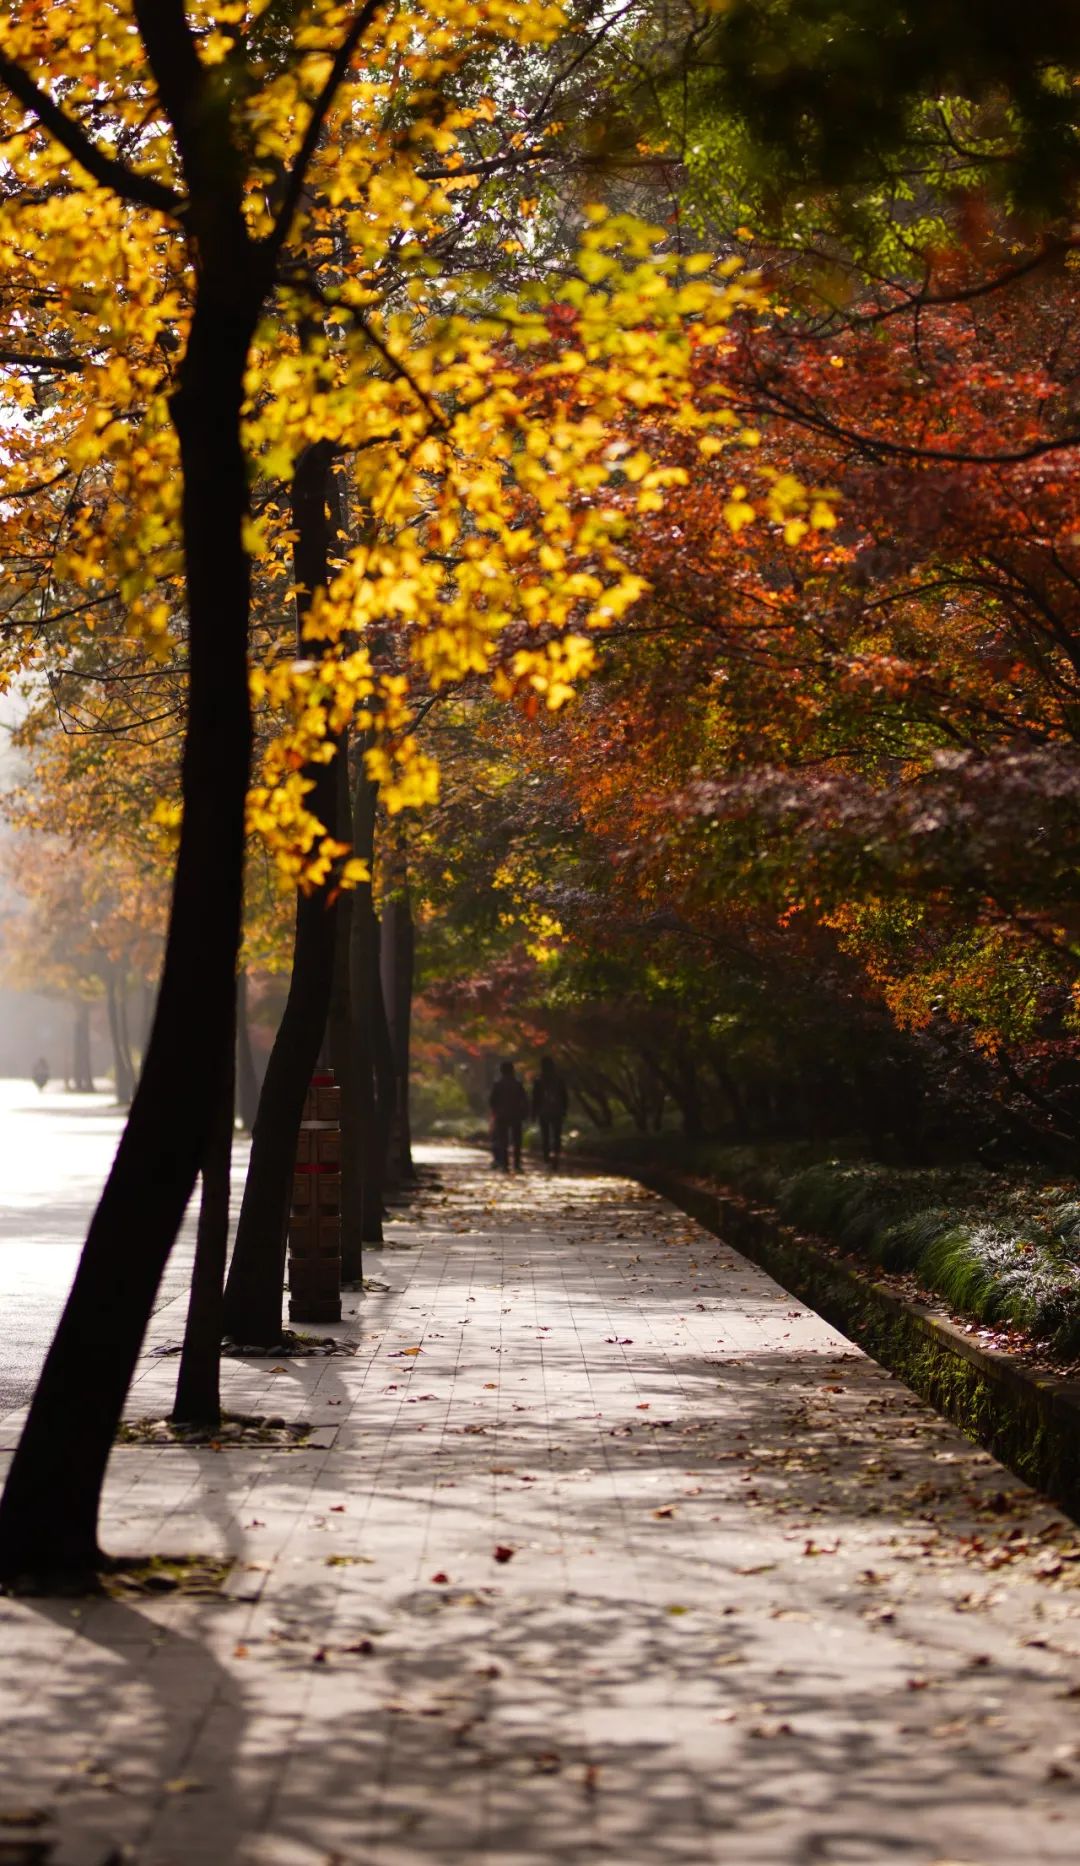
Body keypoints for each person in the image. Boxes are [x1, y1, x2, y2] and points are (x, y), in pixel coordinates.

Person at [490, 1060, 528, 1171]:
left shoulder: (498, 1084)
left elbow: (492, 1101)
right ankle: (517, 1164)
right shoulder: (518, 1084)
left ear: (501, 1071)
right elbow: (524, 1100)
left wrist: (496, 1111)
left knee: (503, 1140)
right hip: (516, 1115)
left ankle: (505, 1164)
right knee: (517, 1141)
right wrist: (524, 1113)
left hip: (502, 1115)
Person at [532, 1055, 569, 1168]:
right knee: (556, 1135)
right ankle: (556, 1155)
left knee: (545, 1135)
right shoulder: (559, 1080)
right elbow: (564, 1097)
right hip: (557, 1111)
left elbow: (535, 1099)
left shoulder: (539, 1081)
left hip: (544, 1112)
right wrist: (564, 1109)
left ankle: (547, 1158)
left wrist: (534, 1113)